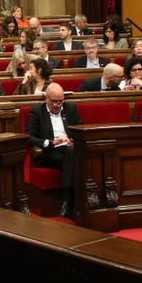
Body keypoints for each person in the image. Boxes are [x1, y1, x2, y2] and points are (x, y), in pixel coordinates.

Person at [26, 83, 81, 217]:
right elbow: (28, 137)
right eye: (54, 102)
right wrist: (49, 142)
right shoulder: (37, 112)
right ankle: (71, 201)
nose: (58, 105)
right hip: (49, 152)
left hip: (69, 148)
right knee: (74, 159)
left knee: (70, 153)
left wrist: (72, 138)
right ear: (46, 98)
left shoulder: (70, 109)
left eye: (61, 101)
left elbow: (79, 129)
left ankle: (67, 201)